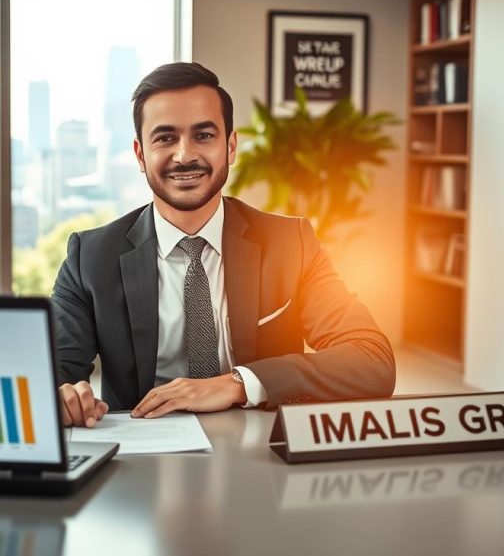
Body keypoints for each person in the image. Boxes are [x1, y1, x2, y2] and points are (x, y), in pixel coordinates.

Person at [52, 62, 394, 427]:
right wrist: (62, 395)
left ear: (230, 147)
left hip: (263, 450)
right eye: (165, 138)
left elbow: (372, 360)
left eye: (203, 135)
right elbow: (51, 374)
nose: (184, 156)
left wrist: (238, 384)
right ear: (140, 154)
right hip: (143, 451)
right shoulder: (89, 258)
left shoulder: (290, 243)